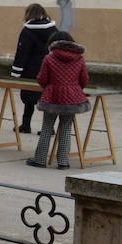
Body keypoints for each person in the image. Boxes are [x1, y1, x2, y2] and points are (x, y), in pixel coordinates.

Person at [28, 31, 89, 169]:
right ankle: (63, 162)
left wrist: (48, 87)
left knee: (47, 128)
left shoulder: (49, 58)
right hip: (71, 97)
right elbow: (84, 79)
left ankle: (40, 160)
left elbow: (42, 78)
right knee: (66, 129)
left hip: (52, 95)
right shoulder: (79, 58)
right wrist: (75, 88)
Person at [11, 3, 57, 134]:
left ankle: (26, 125)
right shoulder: (53, 29)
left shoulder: (27, 31)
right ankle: (48, 128)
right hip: (49, 69)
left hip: (30, 70)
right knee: (47, 98)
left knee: (28, 99)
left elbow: (22, 53)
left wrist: (15, 74)